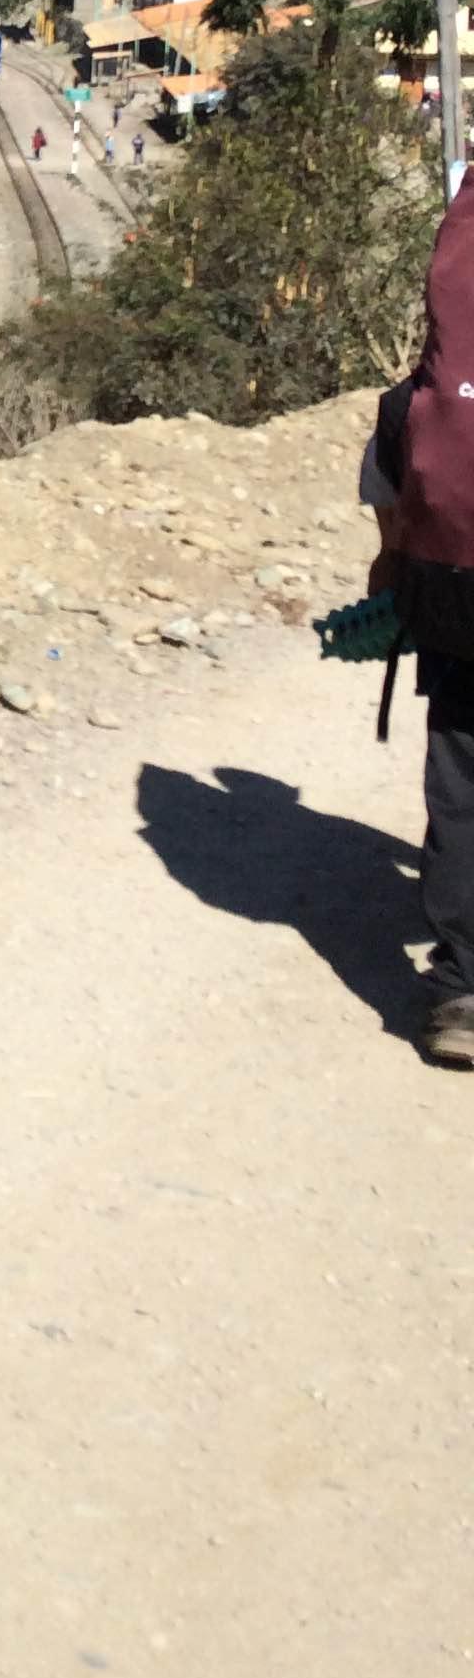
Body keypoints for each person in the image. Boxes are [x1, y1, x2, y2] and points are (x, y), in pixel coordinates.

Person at [364, 187, 474, 1066]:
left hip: (457, 582)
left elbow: (389, 494)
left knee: (463, 776)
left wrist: (394, 564)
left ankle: (461, 993)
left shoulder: (413, 406)